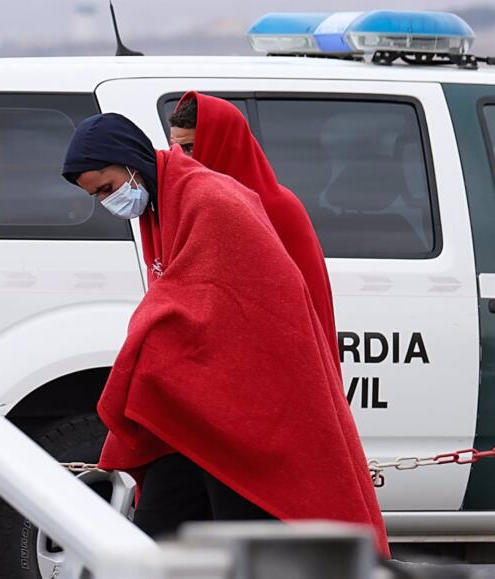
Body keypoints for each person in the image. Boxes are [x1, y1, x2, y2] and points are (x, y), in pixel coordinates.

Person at [61, 113, 390, 556]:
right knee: (161, 533)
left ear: (131, 161)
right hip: (202, 410)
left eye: (107, 187)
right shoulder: (162, 204)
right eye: (96, 195)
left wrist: (144, 343)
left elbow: (212, 302)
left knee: (243, 534)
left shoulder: (211, 200)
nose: (107, 201)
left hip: (246, 411)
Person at [168, 92, 338, 361]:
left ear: (221, 144)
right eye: (173, 148)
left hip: (273, 358)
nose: (180, 160)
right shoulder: (186, 205)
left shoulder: (278, 208)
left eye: (188, 148)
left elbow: (308, 311)